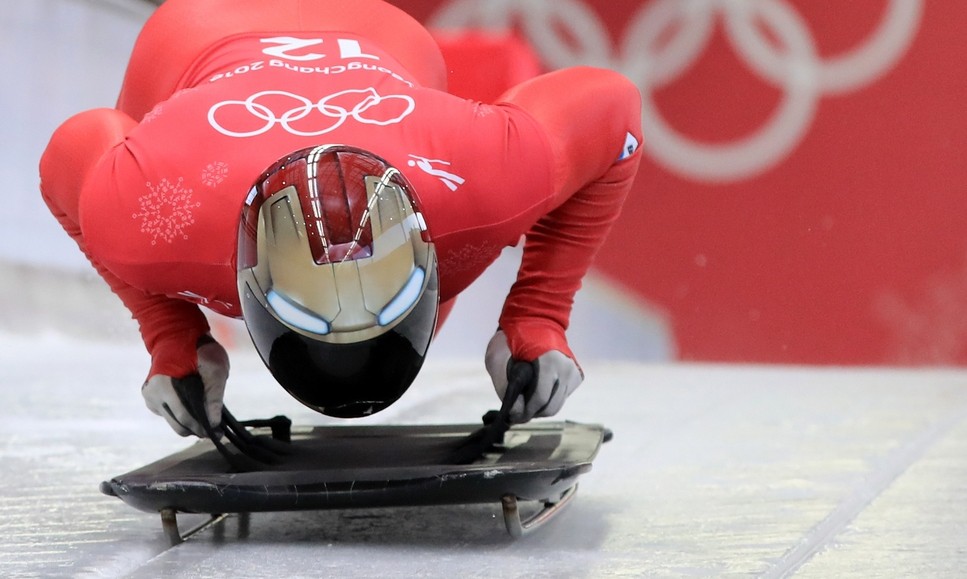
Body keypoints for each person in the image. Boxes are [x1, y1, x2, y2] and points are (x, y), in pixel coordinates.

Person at [39, 0, 643, 438]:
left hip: (349, 33)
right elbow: (611, 107)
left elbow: (614, 111)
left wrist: (538, 318)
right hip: (217, 34)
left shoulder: (485, 180)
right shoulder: (159, 217)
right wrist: (169, 333)